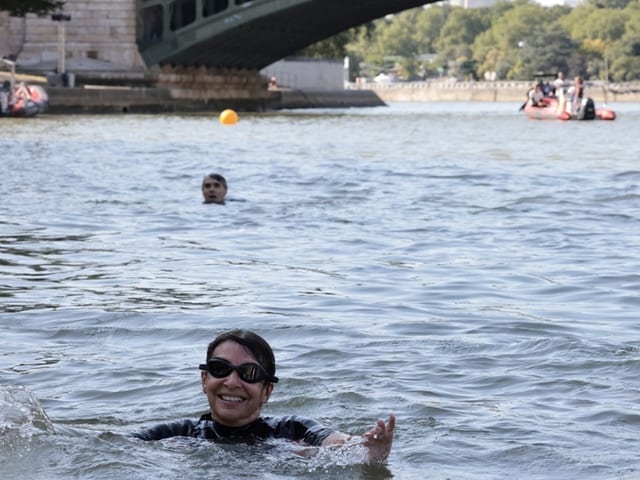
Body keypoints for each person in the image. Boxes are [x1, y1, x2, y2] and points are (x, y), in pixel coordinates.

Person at [132, 329, 396, 464]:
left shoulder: (291, 429)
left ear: (267, 390)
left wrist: (368, 450)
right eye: (220, 369)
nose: (231, 382)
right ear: (205, 380)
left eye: (248, 373)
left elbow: (335, 443)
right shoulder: (176, 435)